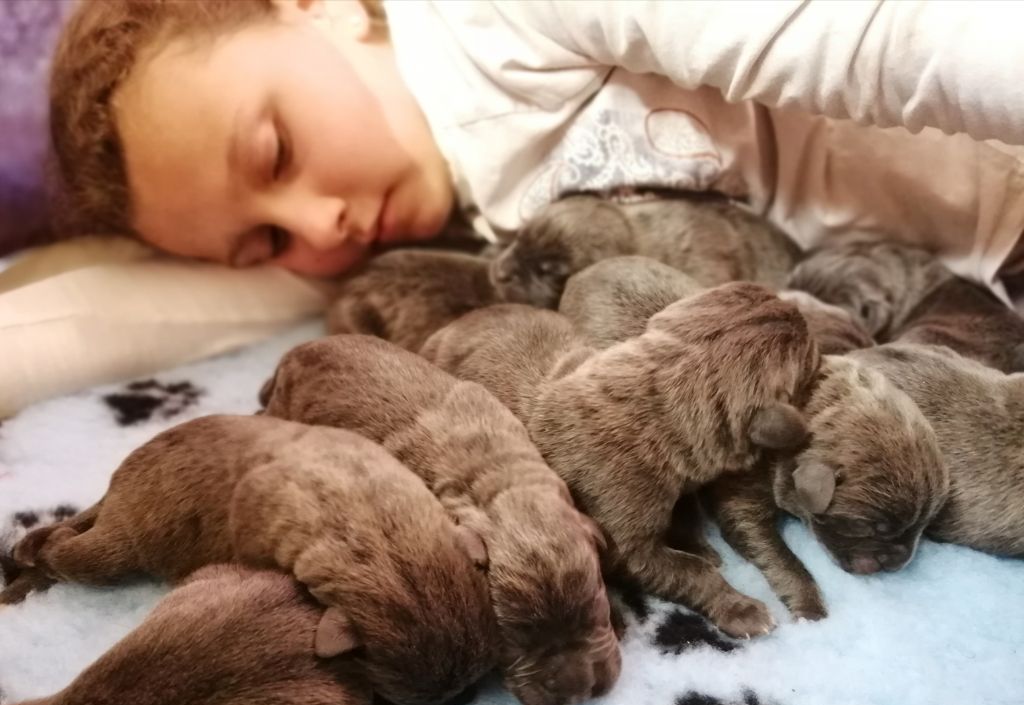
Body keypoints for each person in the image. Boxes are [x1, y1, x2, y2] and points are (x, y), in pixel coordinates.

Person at [3, 0, 1024, 415]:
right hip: (969, 297)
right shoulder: (465, 237)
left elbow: (867, 36)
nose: (320, 229)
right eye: (266, 241)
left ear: (315, 7)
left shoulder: (489, 23)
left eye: (276, 150)